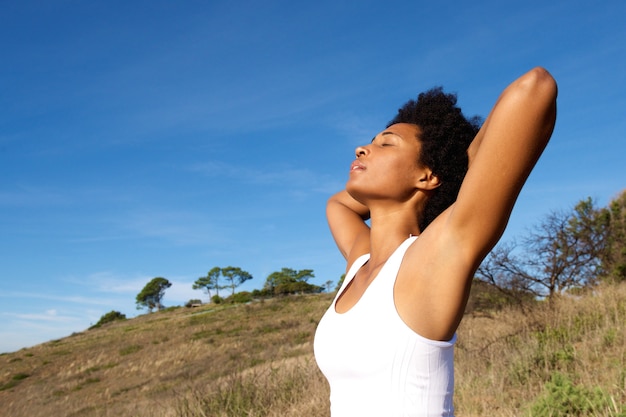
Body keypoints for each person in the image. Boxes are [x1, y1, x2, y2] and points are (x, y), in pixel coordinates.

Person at [313, 67, 558, 417]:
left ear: (427, 176)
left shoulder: (435, 255)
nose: (362, 148)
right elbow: (337, 203)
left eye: (386, 143)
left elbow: (535, 88)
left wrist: (463, 166)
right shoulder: (361, 261)